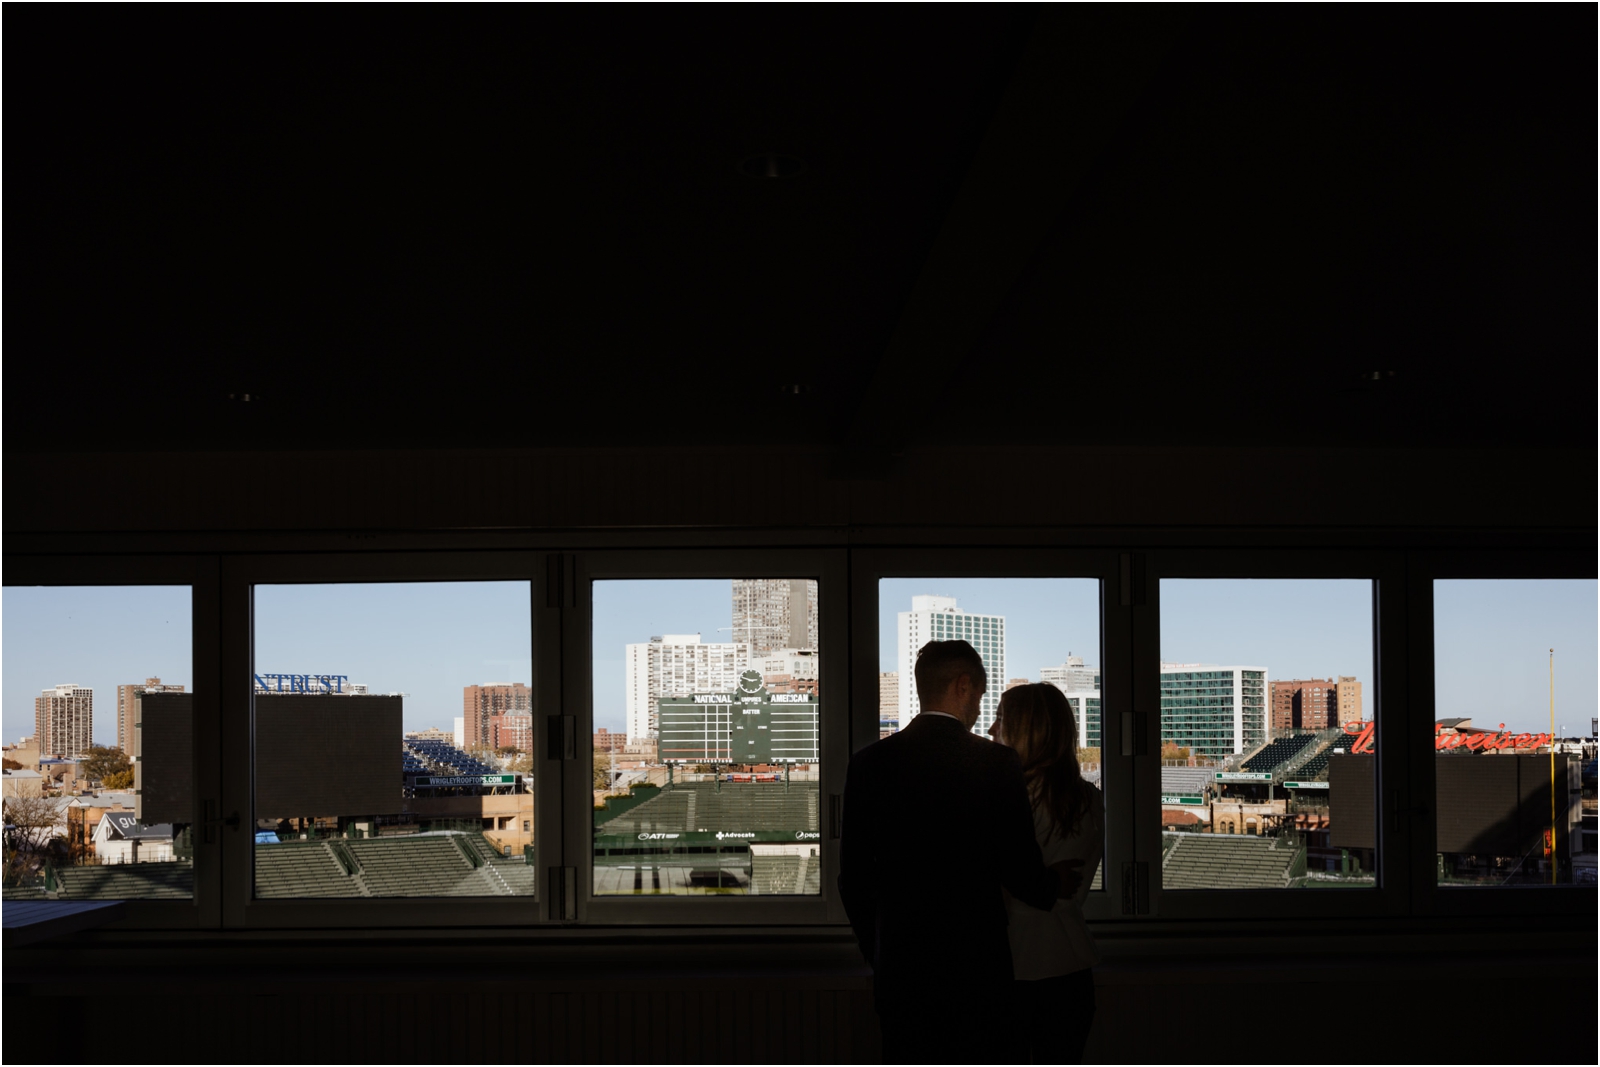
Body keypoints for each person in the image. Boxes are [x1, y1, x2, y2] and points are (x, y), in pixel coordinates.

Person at [838, 640, 1083, 1065]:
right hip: (979, 976)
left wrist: (878, 949)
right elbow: (1019, 869)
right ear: (964, 685)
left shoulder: (868, 765)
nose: (980, 711)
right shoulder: (996, 764)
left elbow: (853, 879)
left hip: (902, 977)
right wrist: (1053, 885)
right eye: (982, 696)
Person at [988, 682, 1105, 1064]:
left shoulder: (1006, 800)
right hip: (1069, 964)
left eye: (1001, 719)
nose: (991, 730)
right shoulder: (1088, 801)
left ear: (1028, 729)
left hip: (1012, 971)